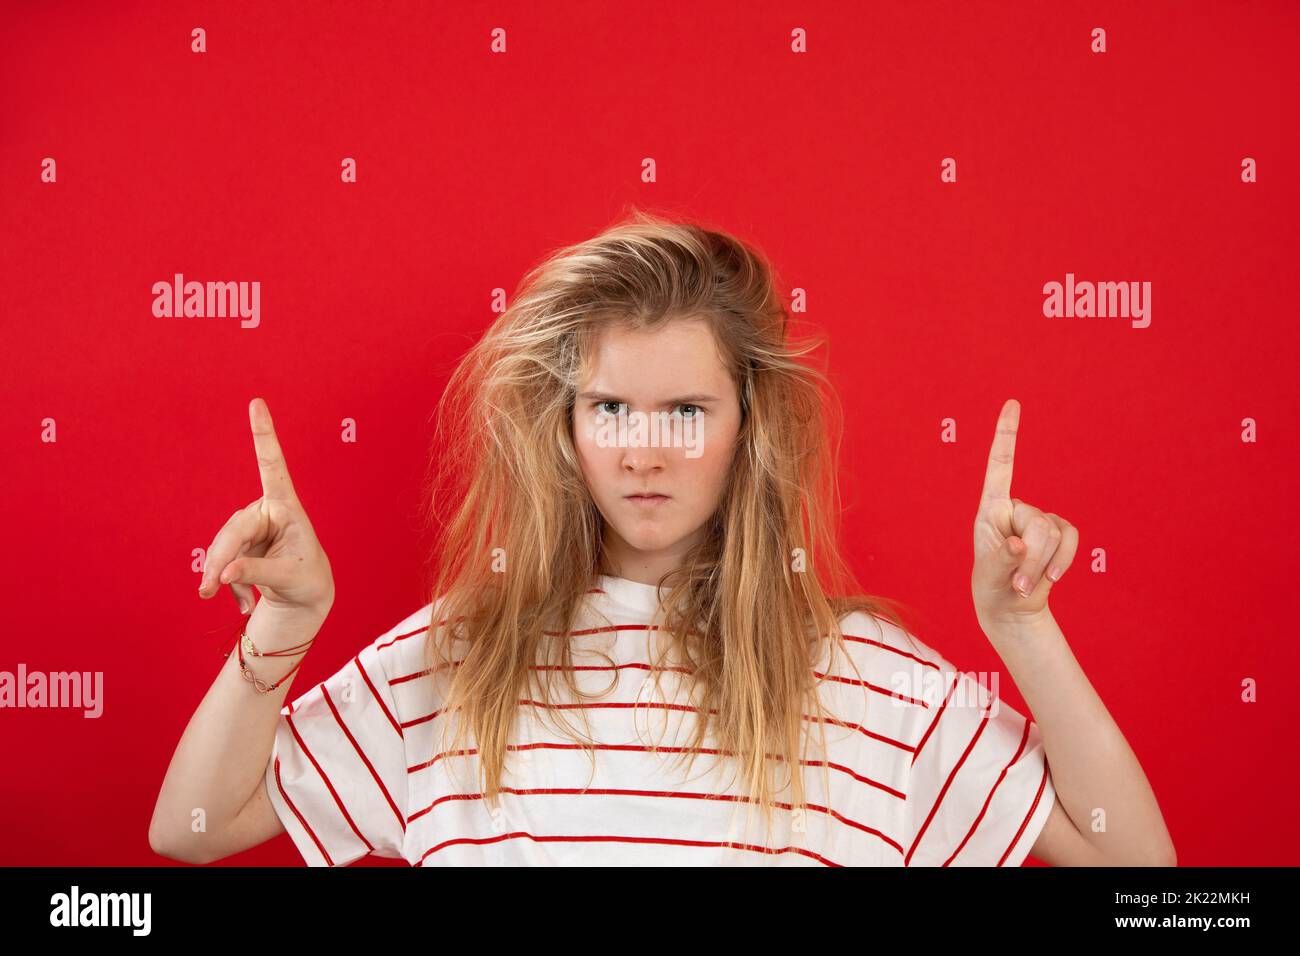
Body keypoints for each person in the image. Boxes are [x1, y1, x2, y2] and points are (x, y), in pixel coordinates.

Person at [148, 209, 1176, 867]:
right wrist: (285, 624)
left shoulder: (873, 678)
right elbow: (192, 826)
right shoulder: (462, 653)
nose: (643, 450)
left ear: (747, 425)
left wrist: (1022, 627)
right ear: (566, 426)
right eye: (609, 408)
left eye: (684, 410)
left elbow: (1143, 877)